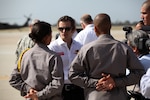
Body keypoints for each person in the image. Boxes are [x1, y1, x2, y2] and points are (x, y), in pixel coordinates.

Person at [68, 13, 145, 100]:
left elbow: (73, 75)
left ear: (95, 29)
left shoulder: (86, 49)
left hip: (94, 96)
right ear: (110, 26)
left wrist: (96, 83)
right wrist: (116, 82)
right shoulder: (124, 48)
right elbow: (139, 72)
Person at [9, 21, 64, 100]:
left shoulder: (24, 55)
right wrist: (39, 95)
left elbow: (13, 80)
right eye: (50, 34)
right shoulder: (53, 57)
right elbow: (57, 84)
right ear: (46, 37)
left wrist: (29, 89)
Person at [48, 15, 84, 100]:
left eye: (67, 29)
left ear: (73, 29)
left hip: (78, 90)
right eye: (61, 29)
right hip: (60, 91)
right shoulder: (52, 47)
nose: (64, 31)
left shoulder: (80, 46)